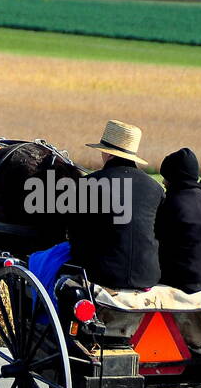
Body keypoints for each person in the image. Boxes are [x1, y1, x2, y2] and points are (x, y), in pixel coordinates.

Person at [66, 120, 163, 290]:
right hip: (148, 276)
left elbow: (74, 233)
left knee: (45, 261)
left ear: (109, 154)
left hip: (102, 275)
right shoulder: (155, 188)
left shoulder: (89, 184)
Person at [155, 148, 201, 294]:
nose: (163, 181)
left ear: (174, 177)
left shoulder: (170, 204)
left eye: (166, 177)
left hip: (177, 281)